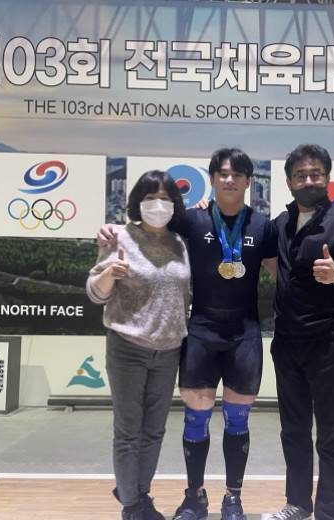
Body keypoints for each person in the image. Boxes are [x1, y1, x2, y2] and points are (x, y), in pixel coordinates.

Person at [98, 148, 277, 520]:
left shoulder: (263, 226)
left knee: (238, 420)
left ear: (249, 180)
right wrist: (111, 230)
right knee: (195, 418)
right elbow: (148, 231)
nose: (230, 179)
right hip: (201, 332)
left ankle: (233, 499)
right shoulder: (192, 221)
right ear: (212, 178)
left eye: (238, 174)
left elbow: (283, 276)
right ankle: (194, 497)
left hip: (245, 334)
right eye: (223, 173)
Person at [269, 144, 334, 520]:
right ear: (289, 182)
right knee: (293, 430)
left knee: (330, 432)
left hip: (328, 342)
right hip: (286, 342)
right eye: (301, 175)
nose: (308, 180)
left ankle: (331, 513)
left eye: (315, 174)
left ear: (327, 178)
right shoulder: (280, 223)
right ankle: (298, 504)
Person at [87, 170, 190, 520]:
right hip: (128, 346)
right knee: (129, 431)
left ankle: (138, 492)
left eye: (165, 199)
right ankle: (132, 506)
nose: (158, 205)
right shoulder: (119, 237)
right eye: (150, 198)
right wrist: (108, 274)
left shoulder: (181, 243)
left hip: (170, 349)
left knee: (154, 431)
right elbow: (95, 293)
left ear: (174, 205)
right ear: (137, 203)